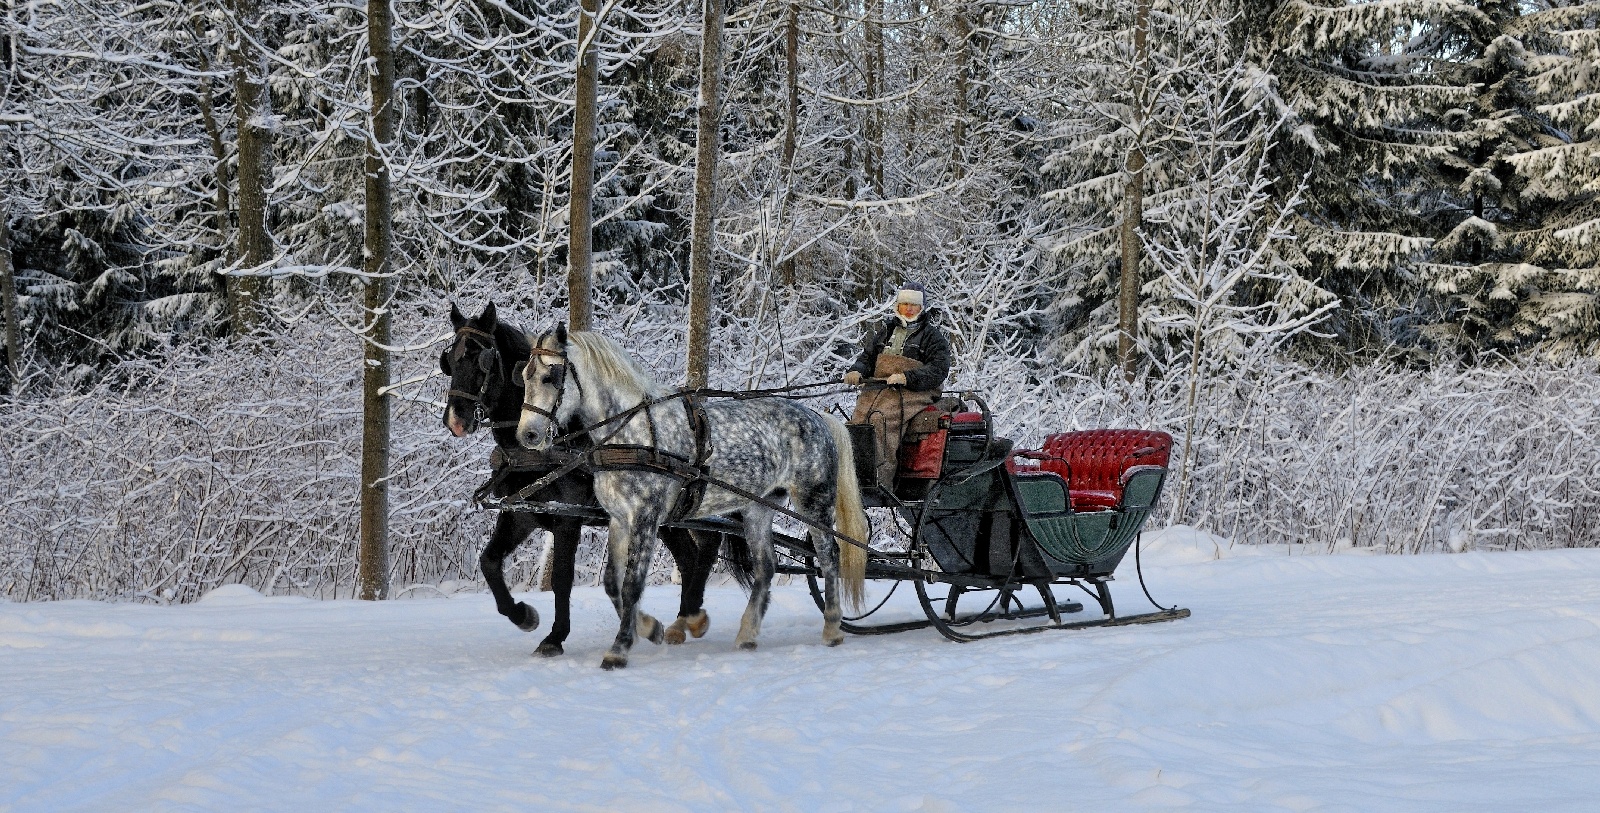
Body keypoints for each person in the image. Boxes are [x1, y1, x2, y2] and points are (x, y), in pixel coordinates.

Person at [843, 282, 952, 490]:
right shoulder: (886, 332)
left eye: (914, 305)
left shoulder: (932, 336)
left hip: (914, 391)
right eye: (905, 304)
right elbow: (868, 357)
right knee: (858, 420)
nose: (909, 309)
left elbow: (939, 369)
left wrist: (907, 377)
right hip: (880, 387)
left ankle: (878, 479)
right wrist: (857, 370)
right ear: (898, 305)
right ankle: (851, 475)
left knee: (881, 420)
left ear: (922, 308)